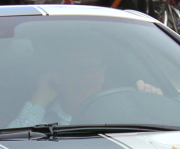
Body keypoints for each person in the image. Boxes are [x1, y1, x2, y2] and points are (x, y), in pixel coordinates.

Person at [10, 46, 162, 127]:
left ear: (103, 73)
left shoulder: (123, 115)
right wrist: (40, 100)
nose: (85, 76)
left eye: (92, 66)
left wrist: (152, 107)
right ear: (58, 76)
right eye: (77, 67)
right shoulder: (40, 120)